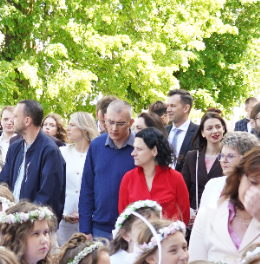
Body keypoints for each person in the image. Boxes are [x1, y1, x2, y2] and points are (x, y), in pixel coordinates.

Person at [0, 100, 68, 220]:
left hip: (36, 224)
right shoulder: (15, 147)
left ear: (27, 120)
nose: (11, 121)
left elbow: (48, 195)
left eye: (15, 116)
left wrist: (25, 217)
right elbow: (4, 180)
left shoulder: (50, 151)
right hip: (12, 221)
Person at [78, 100, 137, 238]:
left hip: (132, 228)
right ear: (104, 119)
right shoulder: (96, 145)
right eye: (110, 122)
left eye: (120, 123)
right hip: (100, 227)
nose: (114, 128)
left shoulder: (140, 147)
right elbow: (87, 188)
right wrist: (85, 229)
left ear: (131, 122)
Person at [118, 127, 189, 224]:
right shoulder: (128, 178)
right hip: (137, 238)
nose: (133, 153)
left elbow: (184, 216)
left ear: (154, 151)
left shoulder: (176, 178)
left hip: (167, 237)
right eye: (134, 148)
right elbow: (123, 214)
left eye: (139, 149)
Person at [179, 111, 227, 216]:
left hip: (222, 214)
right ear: (202, 133)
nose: (215, 131)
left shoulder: (230, 156)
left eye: (218, 127)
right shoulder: (192, 156)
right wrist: (188, 212)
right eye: (209, 128)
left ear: (223, 129)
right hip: (196, 214)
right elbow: (182, 189)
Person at [58, 112, 94, 246]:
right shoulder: (62, 152)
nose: (68, 128)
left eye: (72, 125)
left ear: (85, 128)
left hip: (90, 220)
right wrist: (63, 213)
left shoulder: (95, 153)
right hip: (64, 219)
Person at [164, 88, 200, 161]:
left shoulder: (199, 133)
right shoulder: (162, 131)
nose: (168, 110)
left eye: (172, 106)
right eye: (168, 106)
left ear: (186, 108)